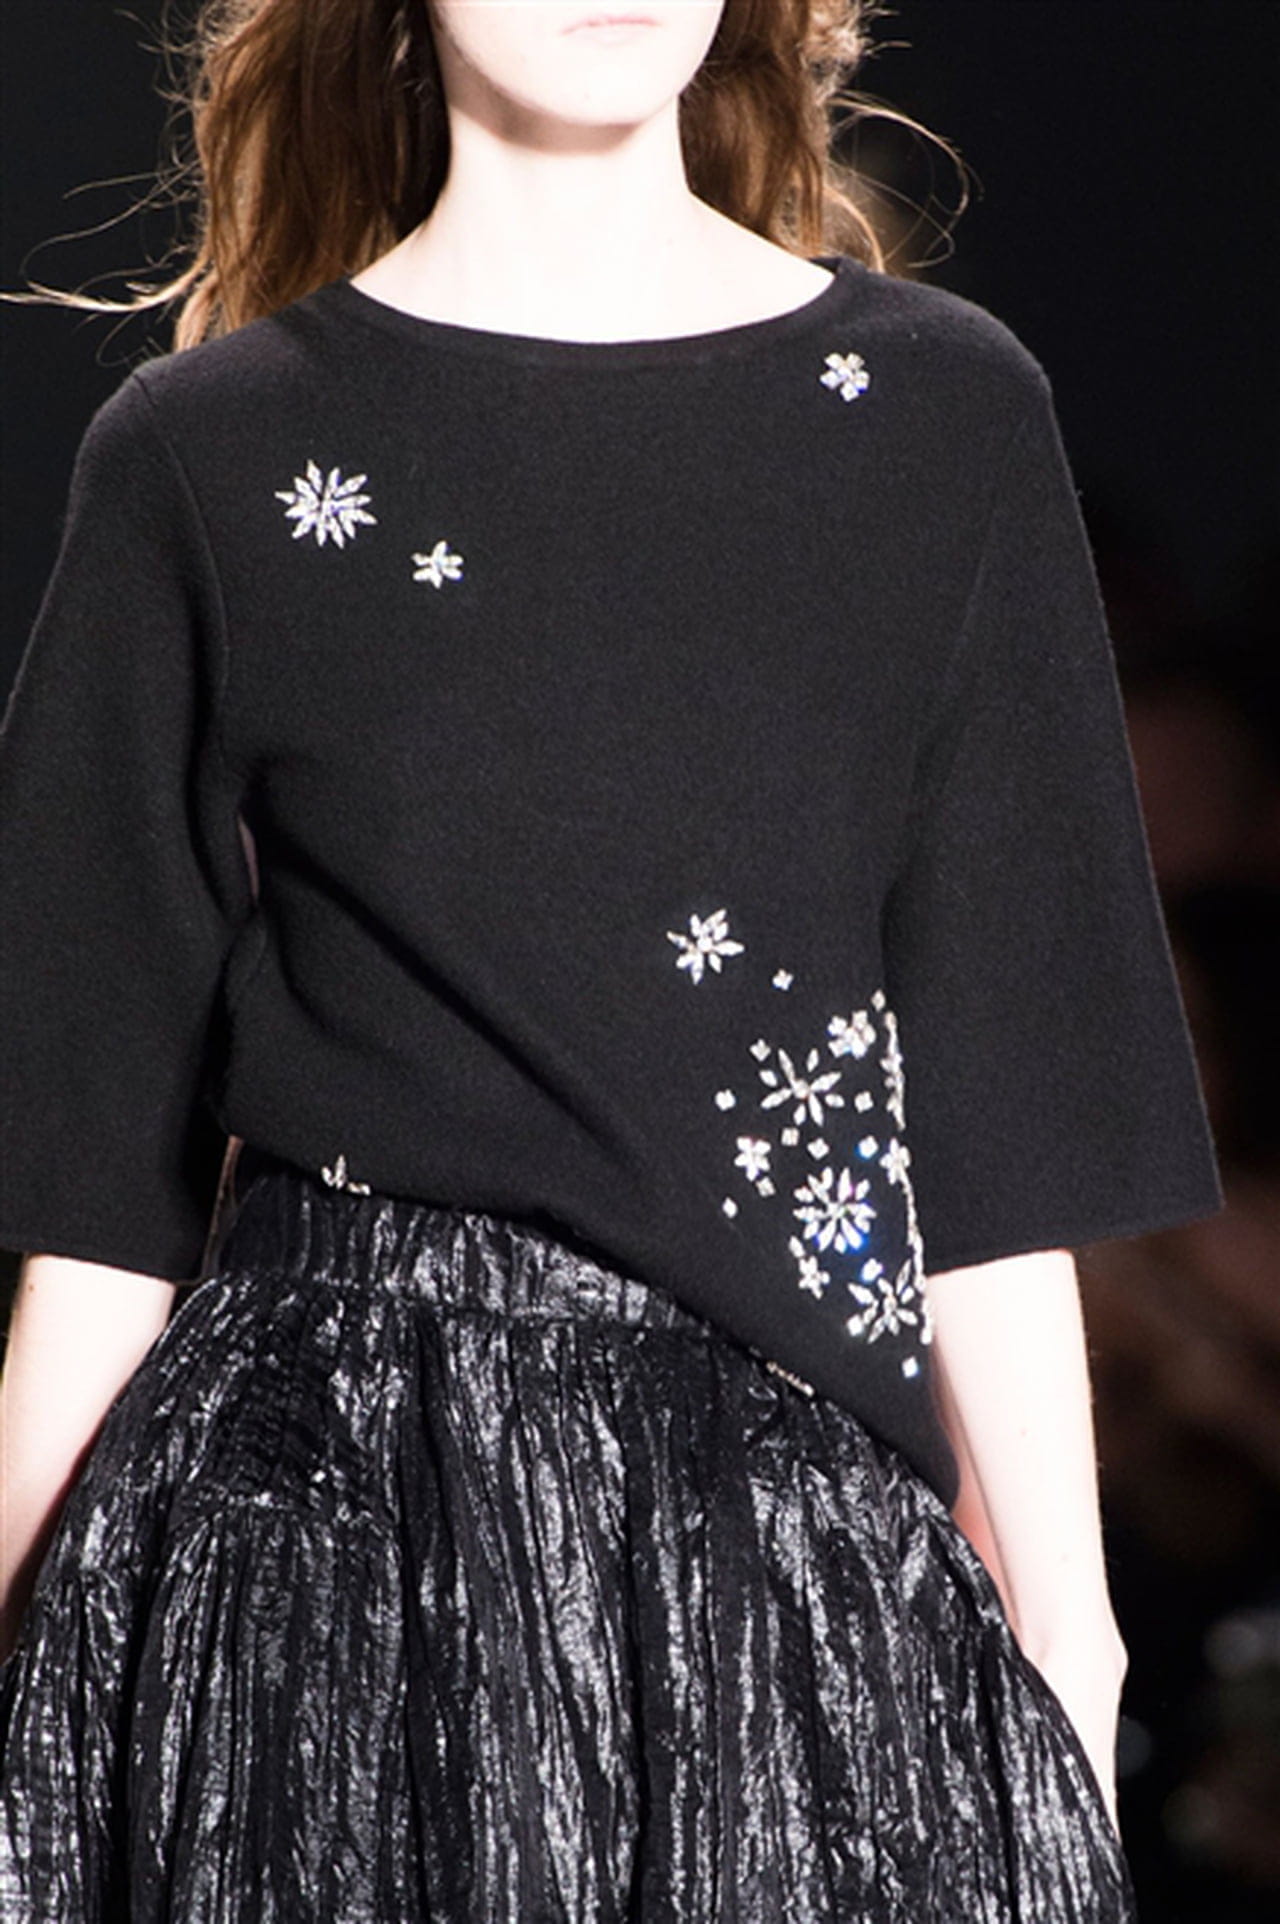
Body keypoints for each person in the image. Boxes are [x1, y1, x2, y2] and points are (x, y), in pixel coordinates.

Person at [0, 3, 1223, 1917]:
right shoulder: (212, 454)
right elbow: (99, 1185)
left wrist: (1071, 1643)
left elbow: (994, 1116)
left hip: (783, 1569)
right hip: (318, 1555)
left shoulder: (935, 416)